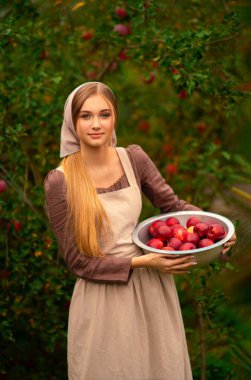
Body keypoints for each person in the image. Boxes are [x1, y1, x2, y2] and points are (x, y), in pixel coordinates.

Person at [44, 81, 236, 380]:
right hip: (103, 300)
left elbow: (173, 207)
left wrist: (217, 228)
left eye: (104, 115)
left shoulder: (134, 158)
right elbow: (77, 262)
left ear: (115, 118)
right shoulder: (61, 181)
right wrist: (143, 261)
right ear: (72, 122)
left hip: (152, 291)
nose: (96, 124)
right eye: (86, 116)